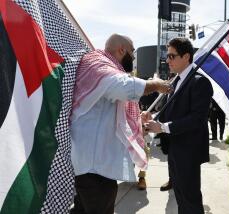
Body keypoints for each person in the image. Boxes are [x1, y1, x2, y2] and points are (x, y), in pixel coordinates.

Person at [69, 34, 172, 214]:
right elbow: (123, 87)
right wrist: (155, 84)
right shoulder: (99, 65)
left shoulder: (103, 66)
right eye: (132, 52)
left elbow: (107, 111)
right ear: (122, 50)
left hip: (93, 165)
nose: (133, 57)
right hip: (95, 168)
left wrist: (138, 120)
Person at [143, 37, 213, 214]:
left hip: (189, 150)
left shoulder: (200, 82)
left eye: (172, 56)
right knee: (181, 197)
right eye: (168, 56)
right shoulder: (175, 81)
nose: (168, 61)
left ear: (186, 56)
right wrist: (153, 116)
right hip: (174, 148)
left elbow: (197, 119)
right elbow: (169, 112)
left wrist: (163, 127)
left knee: (190, 199)